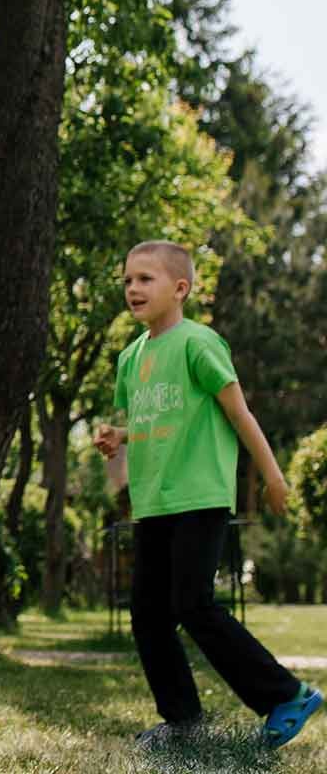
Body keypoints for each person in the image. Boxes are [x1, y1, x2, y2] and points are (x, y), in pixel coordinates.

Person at [92, 241, 321, 752]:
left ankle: (287, 695)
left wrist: (273, 475)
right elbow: (153, 420)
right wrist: (119, 436)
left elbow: (239, 413)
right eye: (128, 279)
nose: (133, 288)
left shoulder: (199, 344)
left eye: (146, 279)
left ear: (180, 288)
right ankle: (183, 722)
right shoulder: (131, 358)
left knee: (193, 604)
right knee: (149, 615)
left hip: (199, 497)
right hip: (153, 502)